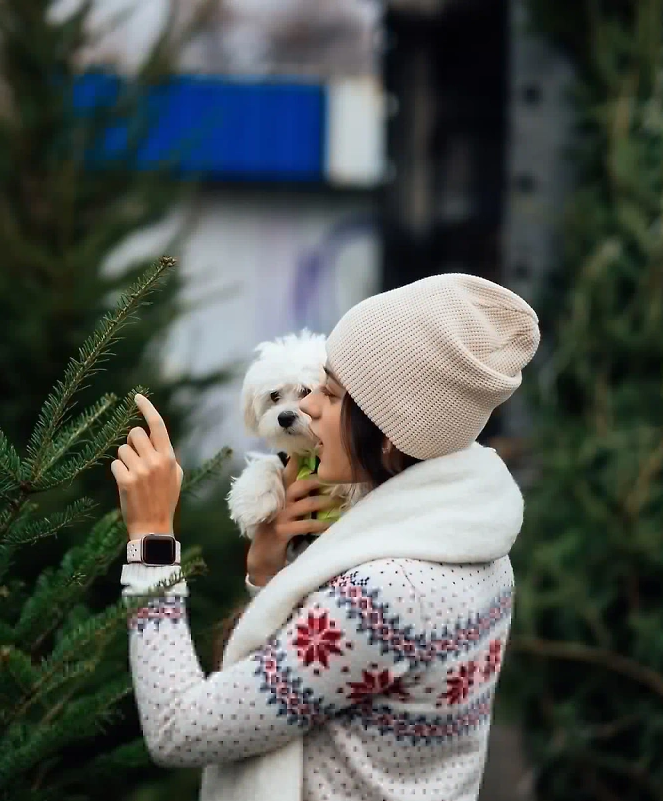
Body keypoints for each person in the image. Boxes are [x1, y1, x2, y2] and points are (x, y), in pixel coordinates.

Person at [112, 273, 540, 801]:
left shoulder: (384, 595)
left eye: (332, 394)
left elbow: (180, 729)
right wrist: (269, 576)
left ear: (388, 433)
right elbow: (319, 689)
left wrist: (151, 536)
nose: (309, 406)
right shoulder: (474, 544)